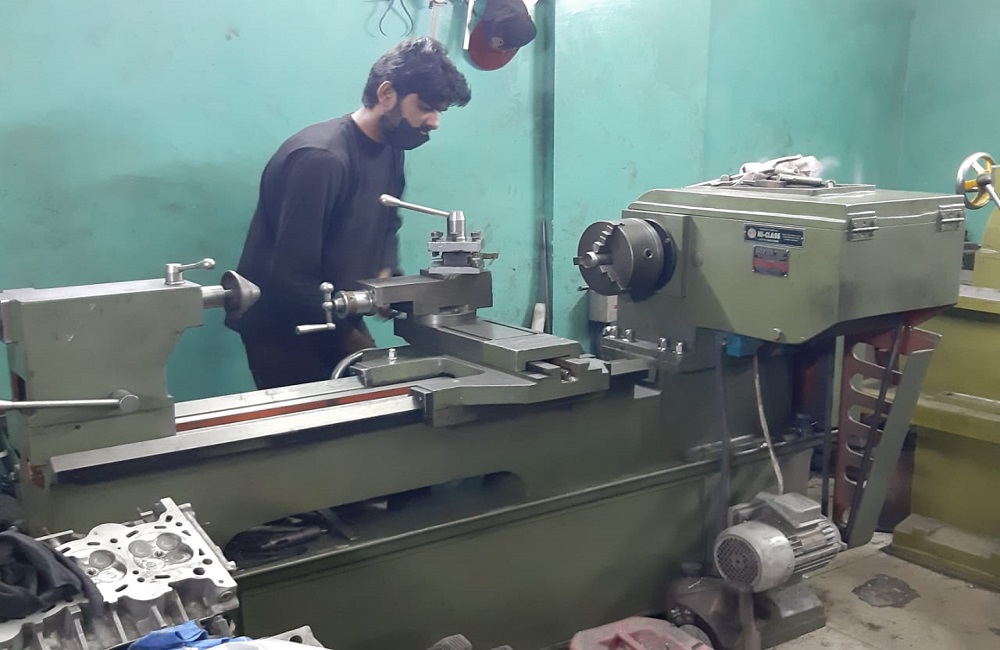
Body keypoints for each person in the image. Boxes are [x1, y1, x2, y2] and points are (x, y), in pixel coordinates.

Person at [226, 38, 471, 390]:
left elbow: (387, 222)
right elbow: (289, 278)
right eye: (426, 107)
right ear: (387, 94)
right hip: (286, 328)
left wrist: (388, 280)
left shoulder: (391, 147)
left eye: (440, 112)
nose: (434, 122)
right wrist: (353, 341)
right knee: (320, 422)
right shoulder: (322, 159)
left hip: (337, 311)